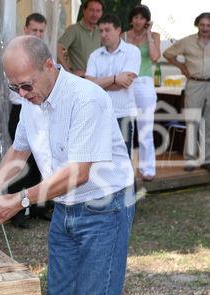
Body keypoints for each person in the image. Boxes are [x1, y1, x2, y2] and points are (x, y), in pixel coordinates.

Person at [0, 35, 135, 295]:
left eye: (26, 85)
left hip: (105, 210)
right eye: (14, 87)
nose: (22, 93)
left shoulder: (86, 98)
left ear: (49, 65)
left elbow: (78, 173)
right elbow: (19, 149)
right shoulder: (31, 100)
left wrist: (20, 200)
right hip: (65, 210)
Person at [8, 12, 49, 229]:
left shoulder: (46, 56)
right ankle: (16, 211)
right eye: (34, 30)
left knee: (40, 160)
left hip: (42, 111)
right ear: (26, 29)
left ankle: (39, 206)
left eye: (41, 31)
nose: (38, 34)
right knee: (20, 161)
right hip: (21, 110)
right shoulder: (16, 54)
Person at [86, 14, 141, 157]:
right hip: (99, 114)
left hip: (123, 114)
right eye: (101, 31)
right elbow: (89, 85)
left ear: (118, 30)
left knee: (124, 160)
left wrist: (100, 83)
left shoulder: (132, 52)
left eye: (107, 30)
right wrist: (116, 78)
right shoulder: (94, 55)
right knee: (101, 160)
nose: (103, 34)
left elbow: (126, 83)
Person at [163, 12, 210, 171]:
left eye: (208, 25)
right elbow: (167, 54)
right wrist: (182, 67)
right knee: (193, 121)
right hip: (194, 84)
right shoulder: (187, 41)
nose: (205, 28)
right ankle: (190, 159)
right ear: (197, 25)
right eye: (202, 25)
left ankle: (206, 159)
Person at [124, 5, 160, 181]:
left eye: (142, 18)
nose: (138, 21)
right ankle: (127, 168)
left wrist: (148, 35)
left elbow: (154, 57)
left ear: (147, 20)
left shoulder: (153, 36)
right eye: (135, 17)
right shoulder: (123, 35)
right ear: (131, 19)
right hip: (126, 82)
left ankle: (148, 169)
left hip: (145, 82)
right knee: (126, 126)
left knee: (145, 127)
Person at [57, 0, 103, 77]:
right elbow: (58, 47)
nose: (95, 14)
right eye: (91, 10)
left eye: (98, 11)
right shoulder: (74, 29)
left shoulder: (100, 31)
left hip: (97, 79)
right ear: (84, 11)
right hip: (80, 79)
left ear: (101, 13)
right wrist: (68, 71)